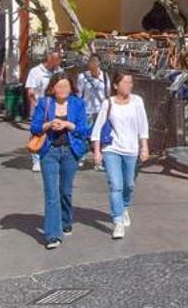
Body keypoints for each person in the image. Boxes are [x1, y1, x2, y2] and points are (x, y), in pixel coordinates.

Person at [28, 73, 89, 249]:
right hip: (50, 152)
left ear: (71, 88)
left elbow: (84, 130)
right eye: (59, 86)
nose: (62, 90)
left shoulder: (78, 104)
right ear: (52, 88)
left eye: (66, 87)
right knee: (51, 193)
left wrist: (68, 125)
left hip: (70, 151)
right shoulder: (44, 103)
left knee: (65, 191)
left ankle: (65, 220)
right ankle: (53, 235)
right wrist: (49, 124)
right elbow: (34, 126)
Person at [91, 72, 150, 239]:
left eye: (131, 82)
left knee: (129, 184)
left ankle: (124, 208)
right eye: (125, 82)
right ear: (116, 85)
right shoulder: (108, 103)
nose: (129, 85)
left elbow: (142, 125)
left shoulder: (137, 101)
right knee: (115, 185)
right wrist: (97, 151)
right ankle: (117, 221)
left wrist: (144, 147)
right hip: (112, 149)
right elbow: (97, 128)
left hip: (131, 150)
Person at [24, 53, 62, 171]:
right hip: (40, 108)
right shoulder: (35, 72)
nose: (59, 63)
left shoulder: (59, 71)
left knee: (54, 132)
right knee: (38, 132)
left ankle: (52, 157)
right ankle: (36, 159)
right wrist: (35, 107)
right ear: (50, 59)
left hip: (55, 107)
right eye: (57, 60)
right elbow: (30, 91)